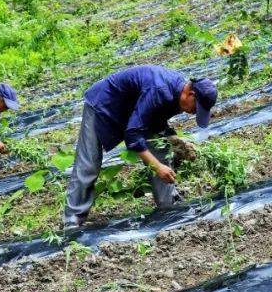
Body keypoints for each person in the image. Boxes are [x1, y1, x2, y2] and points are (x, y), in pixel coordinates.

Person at [63, 66, 217, 229]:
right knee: (89, 162)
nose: (194, 113)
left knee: (160, 150)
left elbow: (154, 119)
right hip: (103, 104)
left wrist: (174, 141)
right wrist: (157, 167)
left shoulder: (178, 96)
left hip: (132, 110)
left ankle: (169, 206)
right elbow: (133, 135)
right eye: (196, 108)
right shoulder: (160, 90)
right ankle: (72, 221)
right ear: (191, 94)